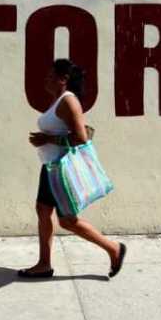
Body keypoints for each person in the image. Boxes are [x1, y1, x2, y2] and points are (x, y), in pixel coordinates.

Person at [18, 59, 126, 279]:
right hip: (50, 168)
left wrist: (47, 138)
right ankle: (44, 264)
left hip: (61, 171)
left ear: (63, 79)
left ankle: (114, 249)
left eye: (51, 75)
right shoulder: (58, 101)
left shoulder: (68, 102)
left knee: (67, 220)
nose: (46, 79)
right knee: (43, 210)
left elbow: (81, 137)